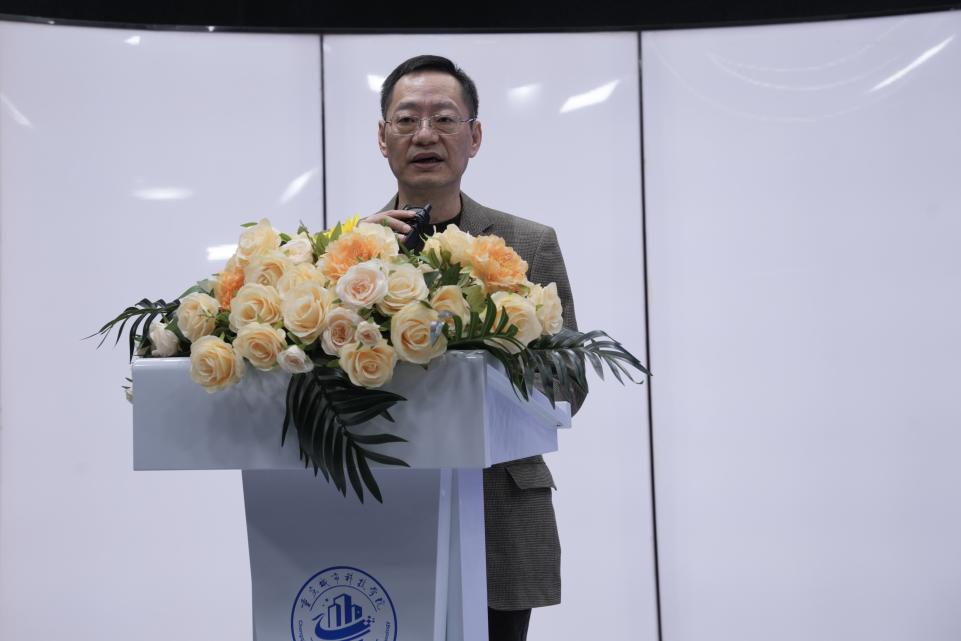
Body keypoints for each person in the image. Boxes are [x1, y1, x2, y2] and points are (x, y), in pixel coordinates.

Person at [363, 54, 585, 641]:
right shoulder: (347, 254)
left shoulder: (528, 244)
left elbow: (570, 382)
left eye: (444, 118)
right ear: (383, 138)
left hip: (499, 513)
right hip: (381, 507)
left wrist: (486, 359)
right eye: (406, 120)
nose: (425, 135)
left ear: (475, 136)